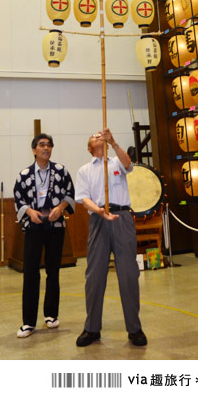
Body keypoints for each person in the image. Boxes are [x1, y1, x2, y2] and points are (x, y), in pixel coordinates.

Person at [74, 128, 147, 347]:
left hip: (122, 217)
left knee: (128, 274)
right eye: (95, 137)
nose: (99, 137)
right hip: (98, 219)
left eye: (101, 136)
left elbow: (128, 164)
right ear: (89, 148)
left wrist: (113, 141)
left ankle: (134, 329)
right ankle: (92, 328)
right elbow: (83, 199)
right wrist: (98, 211)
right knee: (95, 276)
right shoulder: (84, 170)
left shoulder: (116, 162)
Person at [13, 133, 75, 338]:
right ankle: (28, 322)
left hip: (55, 225)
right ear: (34, 150)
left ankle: (51, 315)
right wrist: (30, 212)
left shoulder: (61, 171)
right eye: (41, 145)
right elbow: (19, 200)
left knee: (53, 271)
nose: (46, 148)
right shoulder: (23, 175)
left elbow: (70, 194)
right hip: (33, 225)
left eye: (49, 145)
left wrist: (61, 207)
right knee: (31, 273)